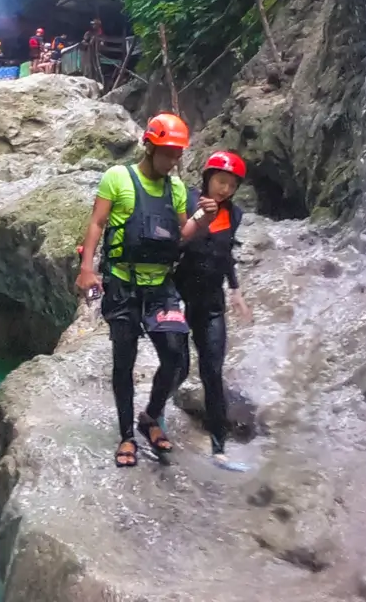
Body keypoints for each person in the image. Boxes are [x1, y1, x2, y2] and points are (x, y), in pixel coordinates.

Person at [76, 113, 215, 468]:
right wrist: (87, 268)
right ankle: (126, 436)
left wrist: (204, 218)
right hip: (122, 283)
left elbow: (182, 234)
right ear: (150, 146)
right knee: (124, 361)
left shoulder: (177, 189)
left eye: (177, 154)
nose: (172, 160)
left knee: (174, 355)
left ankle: (151, 416)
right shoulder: (117, 178)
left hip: (160, 286)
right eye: (167, 152)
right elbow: (97, 222)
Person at [174, 151, 254, 466]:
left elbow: (225, 252)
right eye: (221, 181)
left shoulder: (234, 215)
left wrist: (235, 290)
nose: (224, 189)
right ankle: (153, 416)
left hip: (210, 303)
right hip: (180, 296)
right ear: (208, 179)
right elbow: (176, 243)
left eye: (231, 185)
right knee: (178, 366)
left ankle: (219, 449)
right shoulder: (188, 200)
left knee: (213, 372)